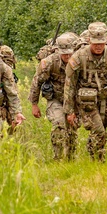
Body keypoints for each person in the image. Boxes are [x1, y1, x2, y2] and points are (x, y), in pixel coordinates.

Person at [64, 22, 107, 161]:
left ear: (106, 40)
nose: (99, 46)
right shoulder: (78, 57)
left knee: (101, 131)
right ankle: (99, 161)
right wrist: (69, 110)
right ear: (89, 41)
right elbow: (70, 85)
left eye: (101, 43)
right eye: (95, 43)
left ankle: (92, 150)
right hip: (86, 103)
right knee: (99, 131)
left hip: (106, 101)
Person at [29, 32, 78, 160]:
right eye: (64, 53)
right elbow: (36, 82)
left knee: (72, 129)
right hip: (55, 99)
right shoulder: (49, 63)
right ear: (59, 51)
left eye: (70, 52)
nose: (67, 55)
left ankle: (70, 158)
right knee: (59, 124)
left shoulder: (79, 61)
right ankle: (58, 157)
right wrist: (34, 104)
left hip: (73, 101)